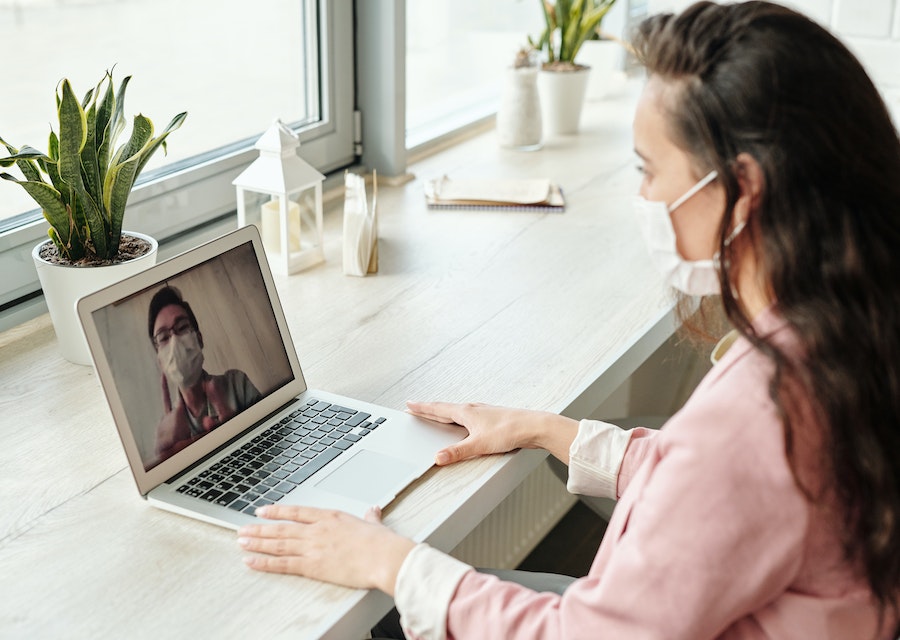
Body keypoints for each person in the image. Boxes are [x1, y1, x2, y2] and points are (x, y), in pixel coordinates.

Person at [234, 2, 900, 638]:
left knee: (381, 613)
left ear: (743, 189)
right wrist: (547, 430)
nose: (642, 195)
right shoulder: (847, 333)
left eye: (649, 169)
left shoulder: (763, 414)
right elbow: (719, 500)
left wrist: (388, 561)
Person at [148, 286, 261, 462]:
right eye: (163, 337)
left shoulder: (237, 384)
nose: (175, 341)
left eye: (182, 327)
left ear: (199, 339)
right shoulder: (167, 432)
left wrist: (237, 431)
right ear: (160, 361)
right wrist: (164, 460)